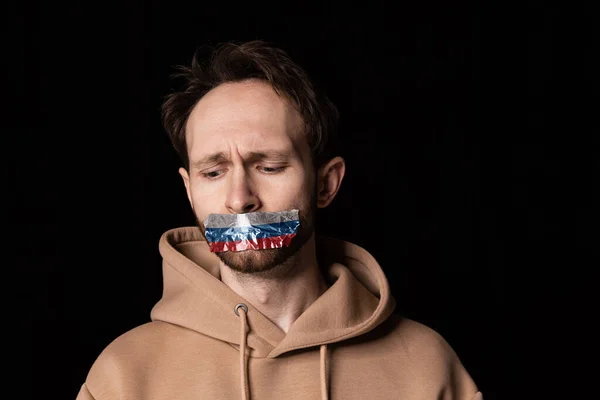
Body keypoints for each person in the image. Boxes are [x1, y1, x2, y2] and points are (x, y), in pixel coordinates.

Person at [76, 40, 482, 400]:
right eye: (213, 173)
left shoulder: (426, 367)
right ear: (188, 190)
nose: (239, 200)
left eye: (269, 166)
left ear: (326, 184)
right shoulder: (124, 375)